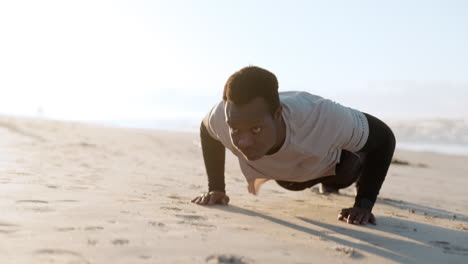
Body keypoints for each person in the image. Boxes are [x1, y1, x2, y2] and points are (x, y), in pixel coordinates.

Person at [191, 66, 396, 226]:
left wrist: (364, 204)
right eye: (235, 129)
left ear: (278, 114)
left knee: (345, 170)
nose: (243, 142)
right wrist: (216, 188)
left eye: (255, 129)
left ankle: (336, 182)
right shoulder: (221, 117)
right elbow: (207, 132)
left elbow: (385, 138)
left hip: (338, 167)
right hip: (290, 177)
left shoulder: (322, 116)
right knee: (290, 183)